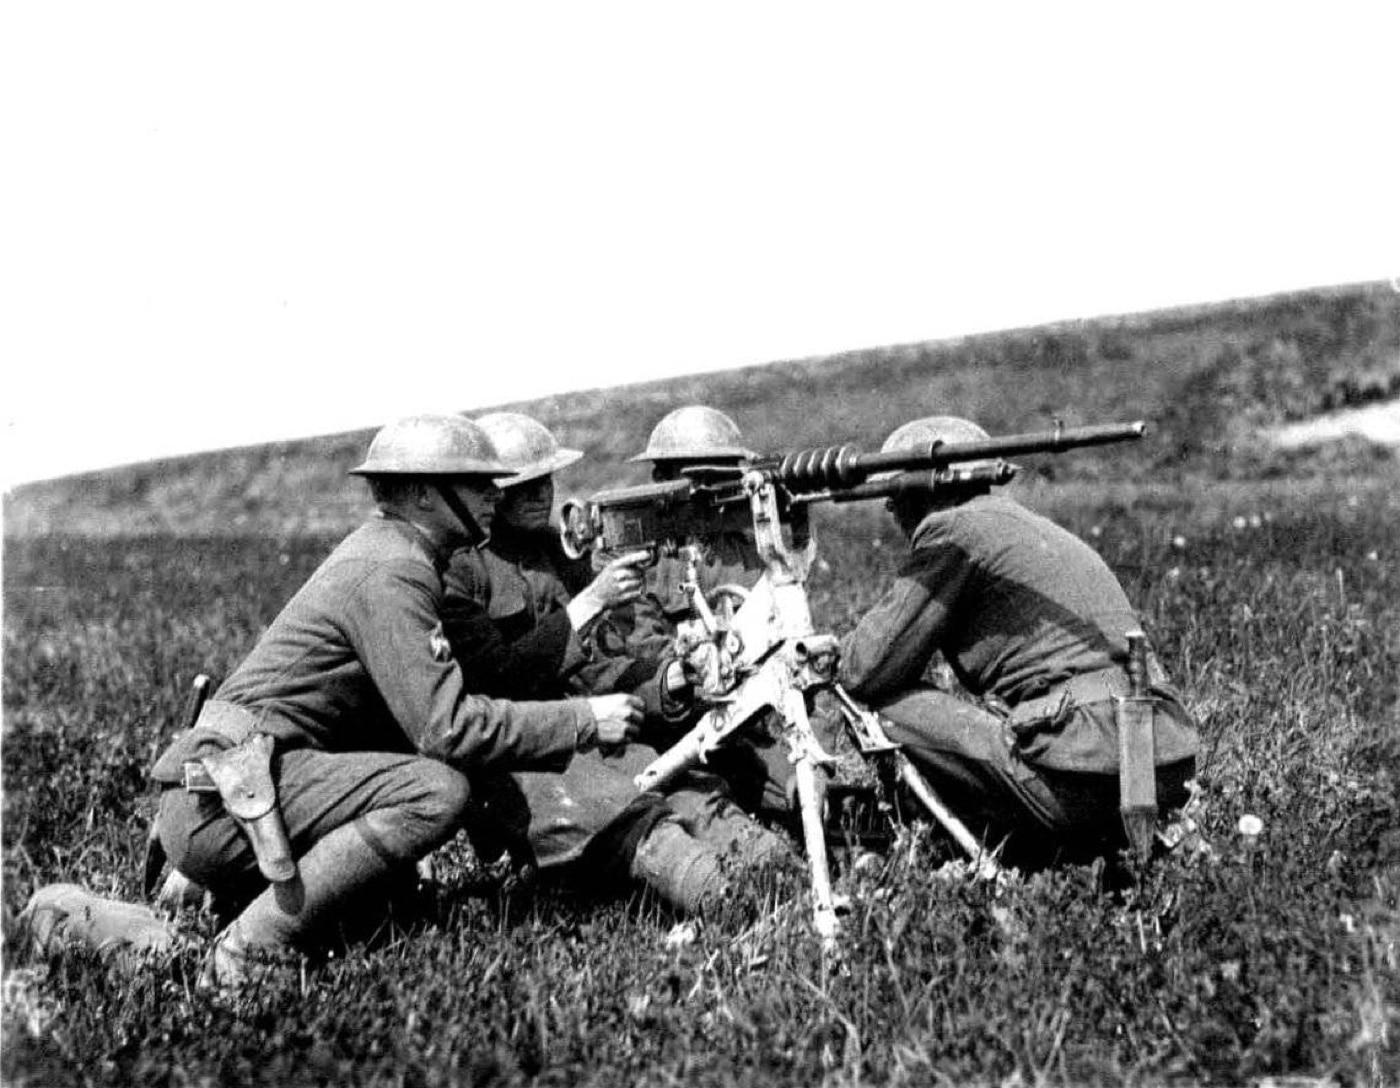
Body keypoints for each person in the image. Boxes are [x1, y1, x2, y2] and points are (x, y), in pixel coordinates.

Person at [146, 414, 644, 990]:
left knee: (388, 910)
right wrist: (584, 720)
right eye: (476, 483)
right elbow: (448, 729)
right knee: (436, 793)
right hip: (229, 803)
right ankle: (250, 951)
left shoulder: (400, 557)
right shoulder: (393, 572)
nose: (493, 495)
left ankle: (215, 896)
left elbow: (468, 690)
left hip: (244, 789)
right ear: (418, 493)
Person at [439, 411, 790, 913]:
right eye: (522, 485)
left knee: (686, 784)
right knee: (633, 820)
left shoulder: (563, 558)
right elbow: (494, 681)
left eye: (545, 480)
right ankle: (729, 904)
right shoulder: (459, 571)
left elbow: (601, 664)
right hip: (516, 752)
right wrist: (588, 604)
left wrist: (669, 680)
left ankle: (785, 883)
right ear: (491, 492)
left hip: (591, 731)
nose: (541, 494)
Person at [833, 415, 1200, 870]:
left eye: (893, 497)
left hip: (1083, 767)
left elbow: (866, 669)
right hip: (1161, 754)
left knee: (877, 704)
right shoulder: (1027, 527)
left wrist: (832, 654)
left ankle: (946, 852)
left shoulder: (951, 530)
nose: (892, 512)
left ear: (924, 491)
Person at [611, 406, 799, 820]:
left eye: (723, 477)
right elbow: (643, 658)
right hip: (674, 728)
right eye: (699, 479)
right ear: (662, 480)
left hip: (746, 720)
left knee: (804, 789)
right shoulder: (640, 559)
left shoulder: (749, 550)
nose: (713, 491)